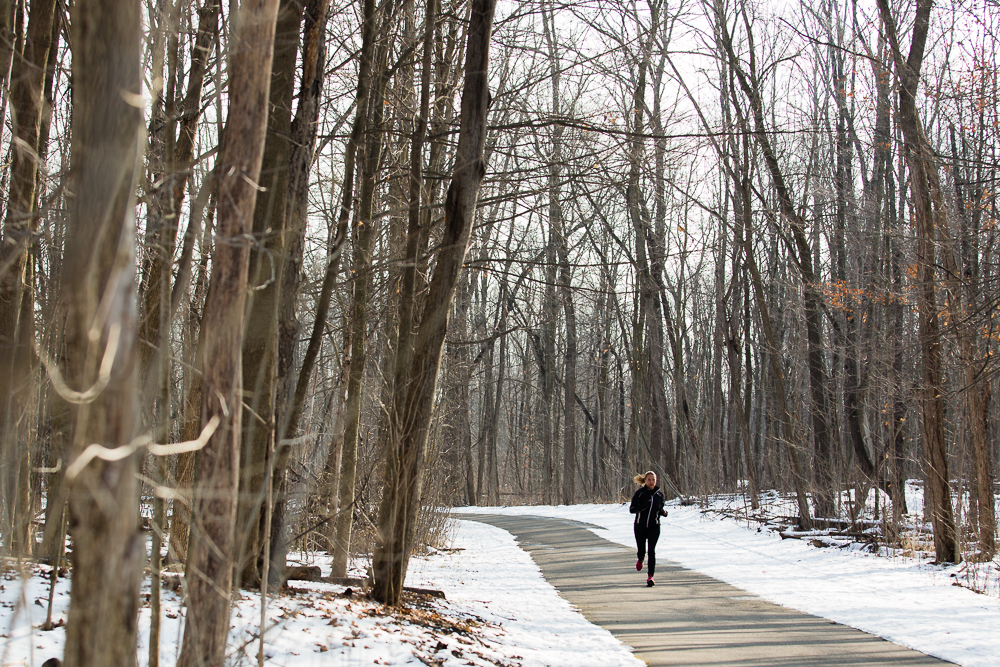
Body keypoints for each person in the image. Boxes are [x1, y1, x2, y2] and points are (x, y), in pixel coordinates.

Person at [629, 470, 667, 587]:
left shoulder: (660, 495)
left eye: (653, 480)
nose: (651, 482)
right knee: (642, 551)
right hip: (640, 526)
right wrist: (644, 506)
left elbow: (659, 509)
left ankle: (650, 577)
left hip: (654, 527)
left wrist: (663, 513)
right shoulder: (640, 493)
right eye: (649, 479)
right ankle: (641, 559)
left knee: (652, 551)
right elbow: (632, 509)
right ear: (645, 481)